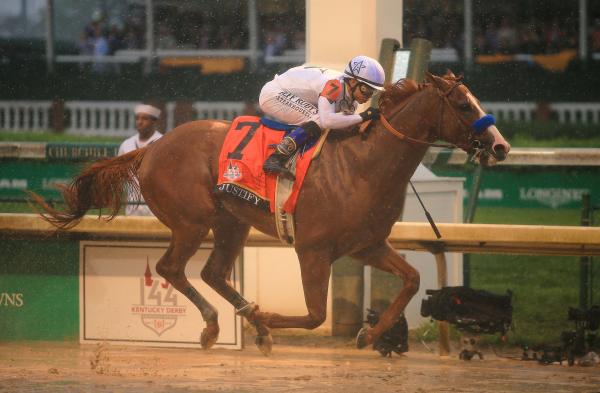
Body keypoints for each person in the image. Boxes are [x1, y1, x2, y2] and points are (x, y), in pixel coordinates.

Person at [259, 55, 384, 179]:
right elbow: (327, 121)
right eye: (365, 89)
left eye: (372, 92)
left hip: (289, 92)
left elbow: (342, 122)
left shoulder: (353, 102)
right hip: (274, 93)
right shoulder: (334, 85)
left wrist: (361, 120)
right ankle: (276, 158)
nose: (368, 96)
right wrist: (363, 116)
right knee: (319, 118)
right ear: (352, 81)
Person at [118, 104, 163, 216]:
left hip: (156, 206)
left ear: (154, 121)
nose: (140, 122)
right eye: (137, 118)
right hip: (132, 205)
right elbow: (119, 174)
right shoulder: (126, 144)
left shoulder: (163, 143)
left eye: (145, 118)